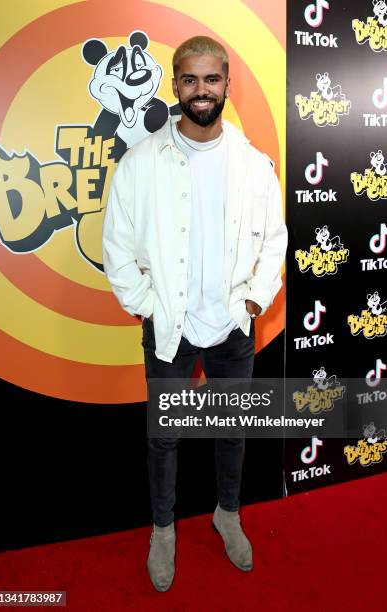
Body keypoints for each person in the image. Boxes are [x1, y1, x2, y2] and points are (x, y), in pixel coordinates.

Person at [102, 36, 287, 592]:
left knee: (231, 429)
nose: (201, 90)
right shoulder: (140, 163)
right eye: (190, 80)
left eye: (211, 79)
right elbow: (117, 246)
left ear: (228, 84)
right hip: (171, 328)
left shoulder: (254, 164)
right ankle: (163, 531)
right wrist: (146, 307)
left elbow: (274, 241)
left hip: (233, 323)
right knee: (165, 437)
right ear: (175, 86)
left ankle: (226, 514)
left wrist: (253, 300)